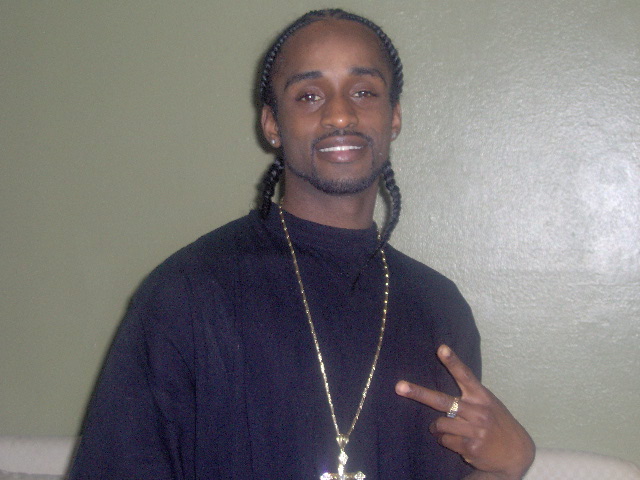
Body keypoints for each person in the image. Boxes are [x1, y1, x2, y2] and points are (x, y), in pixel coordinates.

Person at [69, 8, 534, 480]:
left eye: (363, 91)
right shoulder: (187, 295)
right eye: (309, 96)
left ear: (393, 116)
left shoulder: (438, 308)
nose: (340, 114)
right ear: (272, 124)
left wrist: (505, 467)